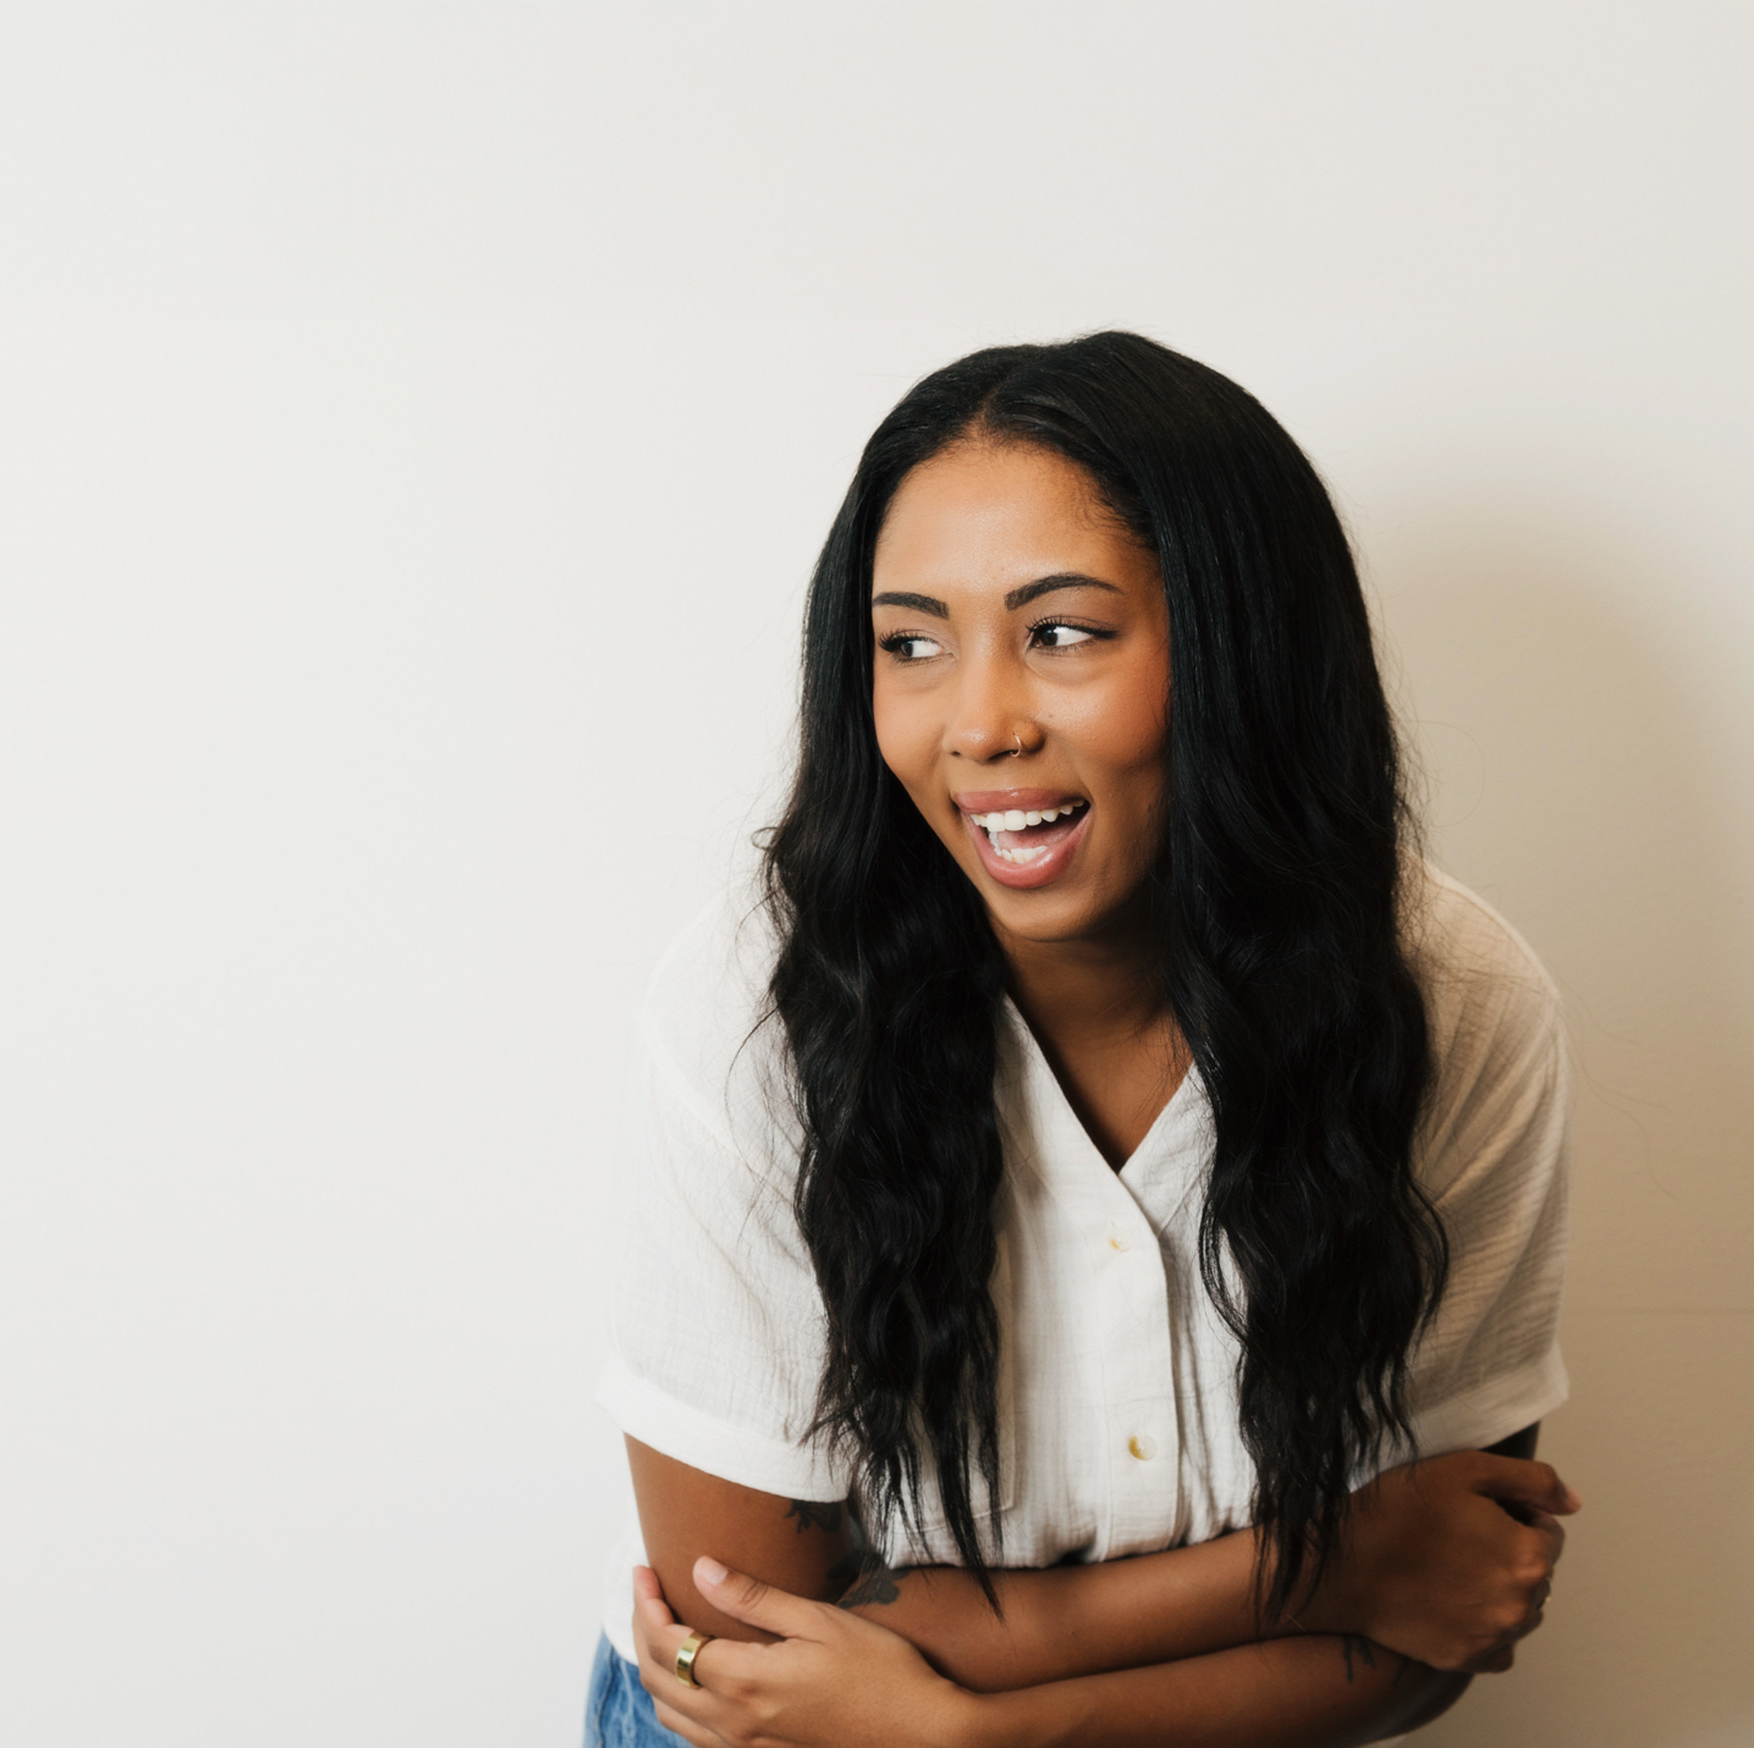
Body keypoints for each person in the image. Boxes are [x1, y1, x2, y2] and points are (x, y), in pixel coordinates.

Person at [585, 333, 1577, 1748]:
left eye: (1061, 633)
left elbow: (1448, 1615)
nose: (978, 723)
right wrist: (1330, 1562)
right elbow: (732, 1663)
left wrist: (965, 1731)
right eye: (911, 645)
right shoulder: (755, 1007)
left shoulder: (1454, 1003)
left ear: (1242, 653)